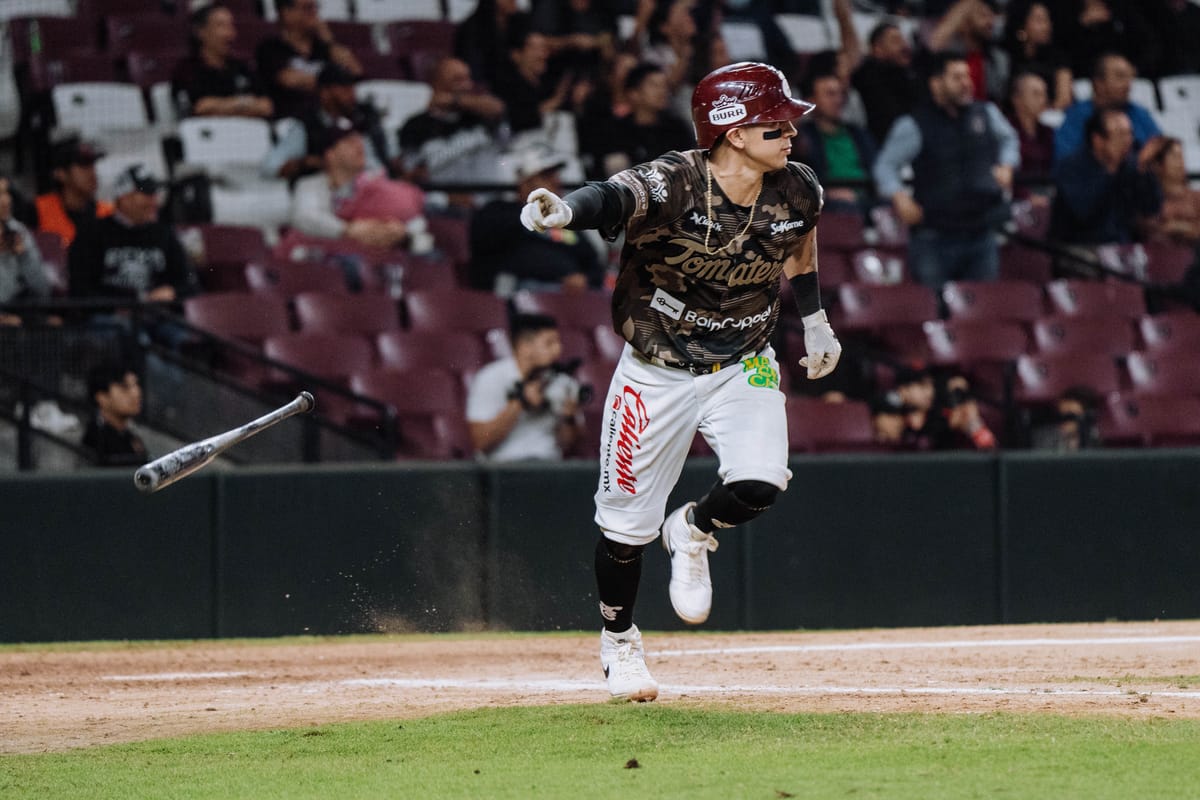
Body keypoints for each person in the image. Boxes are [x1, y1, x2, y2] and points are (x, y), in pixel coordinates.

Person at [519, 62, 841, 701]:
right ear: (732, 132)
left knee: (760, 481)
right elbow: (612, 197)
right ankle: (619, 644)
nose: (791, 131)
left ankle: (693, 529)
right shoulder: (675, 182)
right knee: (624, 528)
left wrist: (817, 321)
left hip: (743, 361)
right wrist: (563, 210)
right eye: (774, 123)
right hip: (656, 370)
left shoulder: (797, 187)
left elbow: (799, 245)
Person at [873, 51, 1020, 290]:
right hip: (934, 236)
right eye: (957, 77)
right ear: (936, 83)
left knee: (982, 310)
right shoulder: (913, 124)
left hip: (981, 232)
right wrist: (899, 197)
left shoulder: (986, 113)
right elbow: (885, 166)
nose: (966, 84)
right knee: (936, 309)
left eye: (967, 77)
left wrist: (1007, 164)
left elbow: (1009, 139)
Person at [469, 143, 603, 293]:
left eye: (556, 176)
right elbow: (486, 248)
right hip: (520, 291)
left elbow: (593, 263)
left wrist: (585, 280)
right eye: (546, 176)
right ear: (524, 183)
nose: (556, 182)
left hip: (568, 296)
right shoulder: (499, 212)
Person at [290, 117, 428, 252]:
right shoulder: (310, 185)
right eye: (350, 141)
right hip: (330, 261)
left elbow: (416, 216)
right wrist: (349, 229)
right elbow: (305, 217)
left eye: (359, 139)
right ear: (330, 154)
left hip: (382, 258)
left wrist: (401, 231)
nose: (359, 145)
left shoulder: (373, 182)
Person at [465, 312, 585, 462]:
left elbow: (567, 445)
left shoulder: (562, 381)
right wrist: (520, 402)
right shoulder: (491, 378)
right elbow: (481, 442)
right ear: (524, 347)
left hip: (549, 467)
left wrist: (569, 418)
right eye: (549, 343)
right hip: (504, 468)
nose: (558, 349)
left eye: (558, 342)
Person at [67, 164, 195, 304]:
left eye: (154, 194)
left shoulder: (164, 233)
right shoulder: (92, 232)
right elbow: (80, 288)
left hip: (159, 316)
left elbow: (190, 283)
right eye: (146, 194)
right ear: (124, 197)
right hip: (109, 318)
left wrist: (172, 292)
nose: (154, 201)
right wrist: (123, 303)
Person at [1049, 108, 1163, 246]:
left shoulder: (1130, 165)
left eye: (1130, 134)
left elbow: (1151, 208)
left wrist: (1145, 171)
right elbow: (1083, 213)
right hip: (1079, 246)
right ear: (1098, 140)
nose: (1128, 141)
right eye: (1120, 135)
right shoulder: (1071, 167)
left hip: (1122, 246)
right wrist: (1111, 169)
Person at [261, 63, 388, 182]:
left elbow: (386, 159)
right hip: (327, 192)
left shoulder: (366, 117)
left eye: (352, 86)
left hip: (377, 187)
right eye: (343, 87)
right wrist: (306, 164)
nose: (351, 93)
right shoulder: (308, 125)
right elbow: (271, 166)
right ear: (324, 92)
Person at [396, 56, 507, 186]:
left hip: (491, 196)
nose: (467, 85)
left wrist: (454, 100)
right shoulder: (416, 125)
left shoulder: (480, 116)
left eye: (468, 79)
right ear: (436, 83)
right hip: (440, 200)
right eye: (458, 80)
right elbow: (412, 173)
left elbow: (498, 108)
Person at [255, 0, 362, 121]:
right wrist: (333, 84)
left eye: (315, 7)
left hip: (331, 119)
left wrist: (329, 42)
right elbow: (289, 80)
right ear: (287, 13)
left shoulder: (324, 48)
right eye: (308, 8)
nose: (315, 13)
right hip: (292, 118)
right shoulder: (271, 48)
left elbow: (355, 72)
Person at [585, 62, 694, 179]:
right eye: (654, 85)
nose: (662, 91)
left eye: (664, 86)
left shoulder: (676, 129)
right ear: (634, 94)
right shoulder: (615, 131)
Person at [792, 66, 877, 215]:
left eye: (840, 94)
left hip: (868, 197)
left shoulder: (858, 133)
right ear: (811, 100)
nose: (838, 100)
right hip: (829, 202)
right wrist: (828, 194)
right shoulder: (802, 137)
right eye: (830, 94)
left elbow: (876, 171)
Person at [171, 3, 273, 120]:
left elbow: (266, 106)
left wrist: (222, 107)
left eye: (230, 26)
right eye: (221, 26)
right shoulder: (187, 70)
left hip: (249, 132)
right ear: (200, 31)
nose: (229, 34)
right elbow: (201, 108)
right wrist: (246, 103)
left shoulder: (241, 68)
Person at [1052, 52, 1160, 164]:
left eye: (1130, 77)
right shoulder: (1077, 116)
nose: (1128, 84)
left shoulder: (1139, 113)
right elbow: (1064, 159)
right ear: (1099, 83)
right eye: (1120, 77)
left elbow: (1160, 149)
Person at [35, 137, 113, 248]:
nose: (92, 172)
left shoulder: (108, 212)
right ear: (60, 173)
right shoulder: (37, 210)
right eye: (83, 166)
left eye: (92, 165)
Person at [851, 20, 919, 146]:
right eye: (896, 41)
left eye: (904, 40)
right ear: (878, 49)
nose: (904, 45)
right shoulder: (867, 74)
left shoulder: (911, 73)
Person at [927, 0, 1010, 103]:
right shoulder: (950, 53)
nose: (990, 22)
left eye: (991, 16)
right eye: (983, 15)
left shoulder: (997, 58)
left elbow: (998, 98)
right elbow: (934, 44)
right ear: (964, 22)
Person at [0, 175, 53, 326]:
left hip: (18, 318)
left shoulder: (18, 231)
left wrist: (24, 256)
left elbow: (42, 292)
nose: (6, 200)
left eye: (6, 193)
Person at [1002, 0, 1073, 110]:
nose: (1047, 26)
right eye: (1039, 21)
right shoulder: (1006, 57)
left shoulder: (1058, 57)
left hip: (1050, 117)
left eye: (1047, 20)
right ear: (1022, 24)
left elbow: (1064, 98)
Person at [82, 363, 148, 467]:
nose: (136, 393)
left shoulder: (131, 434)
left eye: (136, 385)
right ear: (101, 397)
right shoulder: (95, 438)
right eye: (125, 387)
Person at [1005, 71, 1055, 201]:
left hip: (1046, 195)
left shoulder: (1048, 132)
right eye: (1036, 94)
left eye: (1044, 94)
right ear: (1017, 99)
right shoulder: (1005, 131)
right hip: (1016, 199)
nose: (1043, 100)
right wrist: (1027, 196)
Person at [1145, 136, 1200, 248]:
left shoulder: (1196, 198)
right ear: (1157, 164)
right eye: (1174, 157)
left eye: (1181, 157)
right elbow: (1150, 231)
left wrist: (1180, 227)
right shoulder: (1149, 201)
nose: (1180, 163)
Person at [1029, 384, 1101, 450]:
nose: (1065, 421)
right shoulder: (1044, 437)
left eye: (1071, 417)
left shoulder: (1093, 437)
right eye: (1062, 417)